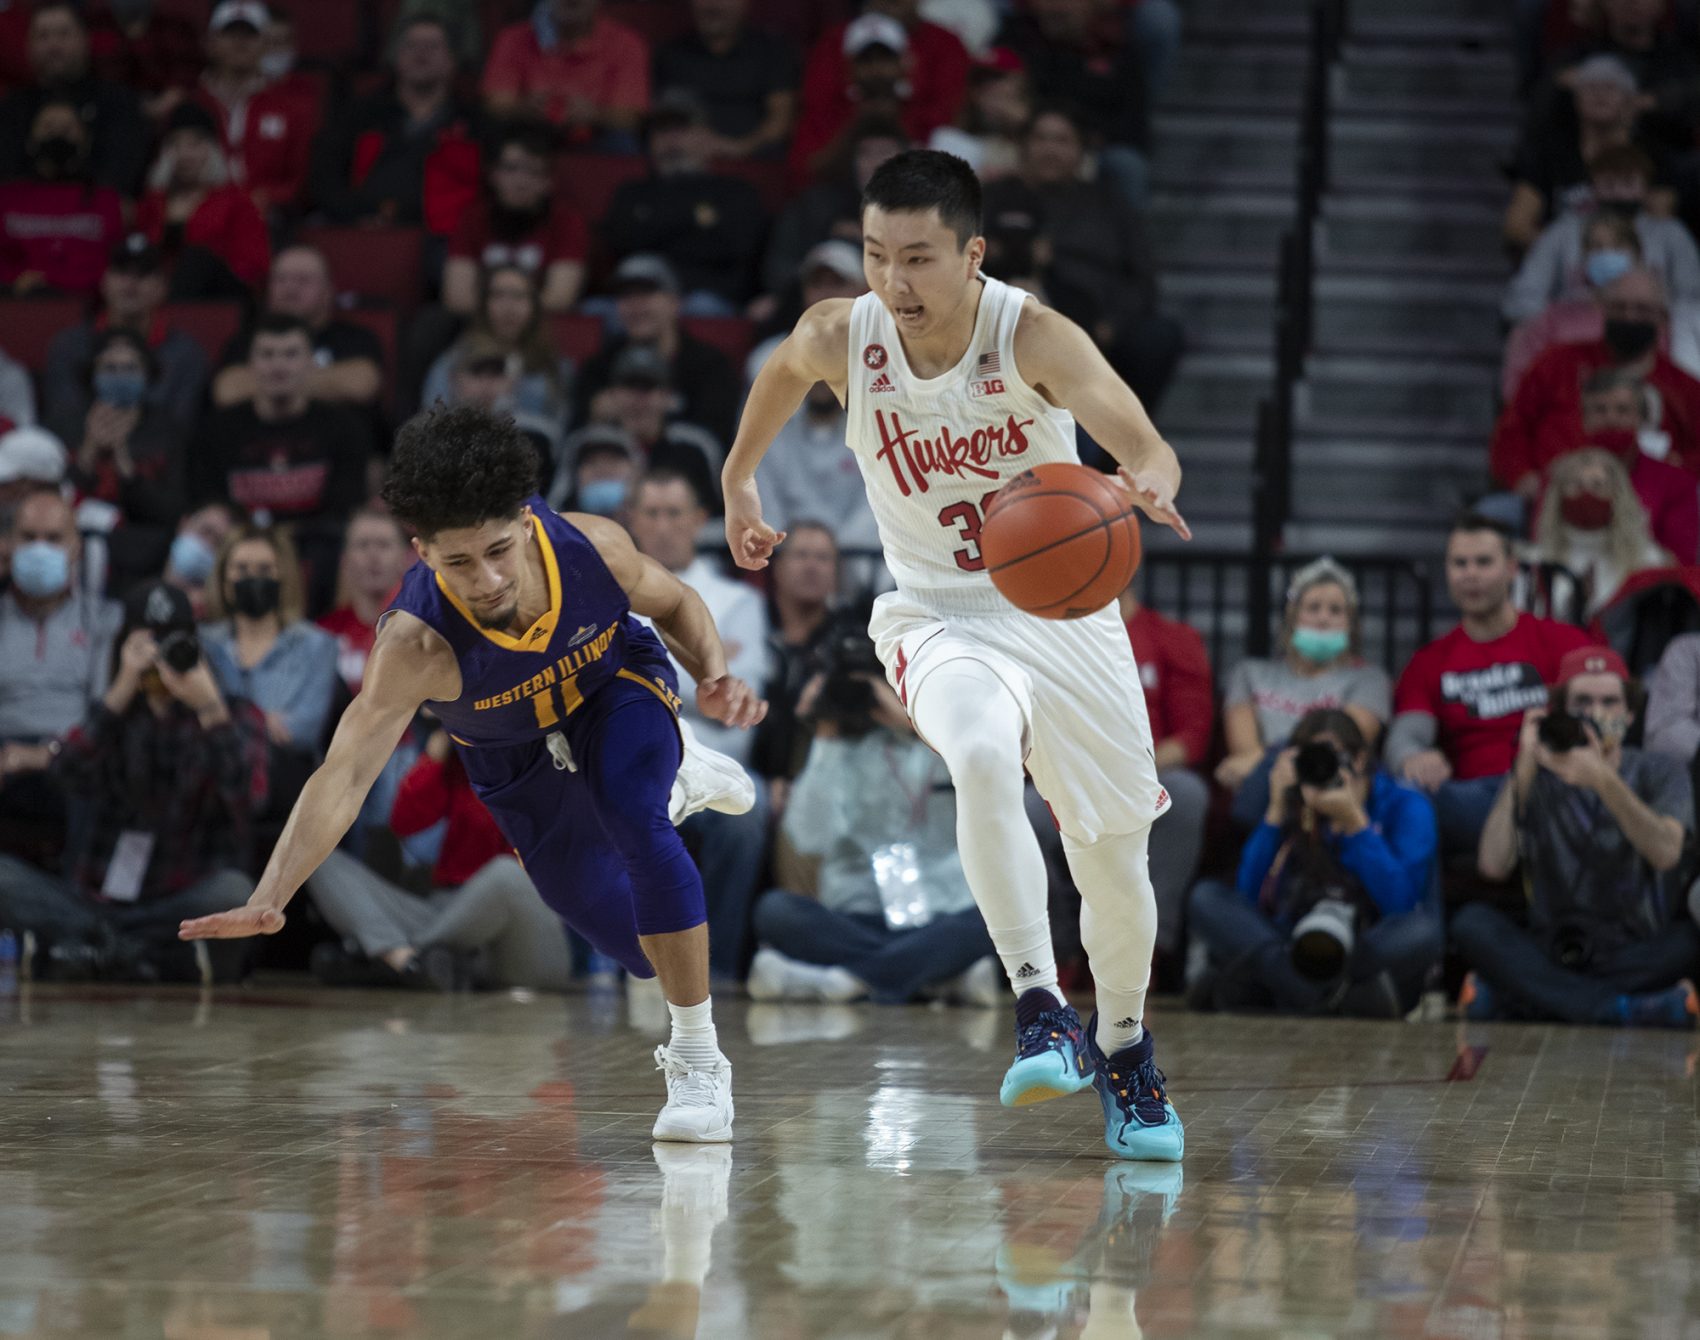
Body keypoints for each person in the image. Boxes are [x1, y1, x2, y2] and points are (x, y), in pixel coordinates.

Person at [724, 148, 1188, 1161]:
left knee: (1112, 861)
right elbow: (782, 371)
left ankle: (1123, 1046)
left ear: (973, 254)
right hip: (937, 611)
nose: (893, 281)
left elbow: (1145, 442)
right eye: (875, 254)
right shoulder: (842, 334)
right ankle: (1039, 1007)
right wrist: (738, 478)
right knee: (977, 751)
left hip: (1066, 615)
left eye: (919, 258)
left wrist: (1147, 480)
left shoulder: (1031, 334)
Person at [179, 404, 766, 1145]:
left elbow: (676, 601)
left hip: (614, 689)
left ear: (524, 522)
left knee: (632, 813)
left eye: (497, 551)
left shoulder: (590, 546)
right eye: (458, 562)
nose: (486, 579)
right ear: (422, 552)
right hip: (511, 756)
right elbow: (345, 774)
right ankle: (672, 784)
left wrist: (712, 674)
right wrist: (271, 896)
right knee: (633, 945)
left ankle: (698, 1062)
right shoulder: (414, 646)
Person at [0, 581, 267, 984]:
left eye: (170, 644)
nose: (158, 658)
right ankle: (138, 955)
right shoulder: (114, 714)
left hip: (179, 903)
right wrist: (121, 689)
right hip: (96, 900)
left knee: (234, 891)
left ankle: (99, 951)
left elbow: (250, 799)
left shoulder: (233, 714)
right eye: (146, 644)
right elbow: (65, 773)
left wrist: (210, 709)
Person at [749, 610, 999, 1005]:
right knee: (775, 911)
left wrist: (917, 726)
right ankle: (932, 977)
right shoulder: (835, 747)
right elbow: (809, 838)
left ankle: (840, 980)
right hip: (855, 915)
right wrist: (825, 735)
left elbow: (991, 788)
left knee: (993, 920)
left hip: (940, 911)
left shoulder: (947, 735)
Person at [1460, 645, 1698, 1027]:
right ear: (1560, 712)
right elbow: (1493, 864)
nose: (1596, 713)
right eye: (1582, 702)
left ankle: (1524, 1001)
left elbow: (1667, 853)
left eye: (1610, 702)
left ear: (1630, 714)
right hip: (1551, 945)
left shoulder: (1660, 769)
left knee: (1688, 941)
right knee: (1471, 923)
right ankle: (1618, 1009)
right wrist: (1523, 766)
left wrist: (1602, 778)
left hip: (1633, 946)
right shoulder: (1539, 772)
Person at [1188, 708, 1442, 1017]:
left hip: (1364, 940)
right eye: (1310, 758)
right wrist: (1276, 811)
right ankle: (1327, 994)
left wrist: (1356, 824)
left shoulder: (1406, 804)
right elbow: (1247, 897)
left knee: (1423, 930)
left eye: (1333, 757)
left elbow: (1401, 904)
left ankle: (1284, 988)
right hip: (1288, 938)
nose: (1321, 767)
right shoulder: (1292, 799)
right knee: (1206, 897)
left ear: (1360, 759)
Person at [628, 468, 772, 981]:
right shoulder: (608, 595)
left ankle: (721, 972)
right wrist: (703, 669)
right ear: (633, 520)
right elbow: (716, 683)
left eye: (675, 513)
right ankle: (617, 970)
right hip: (631, 760)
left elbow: (736, 702)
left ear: (698, 520)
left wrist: (643, 673)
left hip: (716, 758)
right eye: (652, 513)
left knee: (750, 814)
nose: (663, 525)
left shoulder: (739, 601)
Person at [1387, 513, 1593, 856]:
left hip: (1553, 783)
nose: (1470, 574)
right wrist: (1414, 756)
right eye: (1460, 563)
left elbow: (1606, 710)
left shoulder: (1563, 642)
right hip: (1470, 800)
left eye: (1483, 562)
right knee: (1408, 802)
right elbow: (1406, 735)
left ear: (1511, 568)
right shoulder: (1428, 662)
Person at [305, 728, 573, 992]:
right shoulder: (461, 761)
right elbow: (403, 823)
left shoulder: (548, 759)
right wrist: (434, 759)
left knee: (507, 875)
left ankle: (394, 959)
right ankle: (401, 956)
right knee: (316, 860)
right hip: (448, 918)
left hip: (522, 929)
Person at [983, 103, 1181, 408]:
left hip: (1095, 319)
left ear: (1081, 151)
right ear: (1023, 145)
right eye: (1041, 138)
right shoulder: (992, 196)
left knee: (1158, 336)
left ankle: (1119, 433)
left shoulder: (1110, 204)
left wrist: (1112, 323)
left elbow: (1142, 278)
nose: (1050, 150)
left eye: (1062, 140)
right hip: (1016, 317)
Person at [192, 313, 375, 606]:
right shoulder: (217, 431)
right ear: (250, 364)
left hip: (317, 553)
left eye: (291, 354)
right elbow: (207, 502)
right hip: (235, 546)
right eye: (267, 355)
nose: (278, 365)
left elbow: (343, 511)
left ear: (311, 363)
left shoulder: (344, 427)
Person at [1491, 266, 1700, 495]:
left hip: (1653, 505)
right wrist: (1522, 477)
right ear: (1602, 309)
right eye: (1620, 307)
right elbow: (1512, 429)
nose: (1629, 317)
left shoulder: (1685, 389)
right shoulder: (1556, 363)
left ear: (1662, 317)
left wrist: (1676, 472)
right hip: (1548, 497)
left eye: (1642, 309)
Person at [1216, 558, 1392, 824]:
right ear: (1292, 616)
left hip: (1331, 793)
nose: (1323, 618)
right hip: (1264, 795)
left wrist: (1266, 757)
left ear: (1351, 623)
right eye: (1313, 607)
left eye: (1336, 610)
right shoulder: (1249, 673)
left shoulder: (1371, 679)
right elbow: (1243, 755)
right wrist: (1261, 762)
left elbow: (1340, 744)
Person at [307, 13, 482, 239]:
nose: (421, 53)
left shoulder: (473, 122)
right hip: (360, 228)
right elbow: (326, 175)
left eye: (432, 46)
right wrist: (355, 215)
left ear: (452, 60)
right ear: (396, 56)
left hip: (444, 235)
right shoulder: (360, 115)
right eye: (411, 45)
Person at [600, 90, 768, 312]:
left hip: (705, 298)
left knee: (703, 306)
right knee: (597, 308)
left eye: (681, 129)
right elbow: (622, 244)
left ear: (707, 136)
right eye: (662, 129)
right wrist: (693, 225)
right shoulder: (631, 192)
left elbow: (735, 249)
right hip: (636, 299)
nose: (671, 139)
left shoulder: (735, 192)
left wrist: (657, 227)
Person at [1118, 587, 1212, 981]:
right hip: (1073, 775)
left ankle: (1146, 951)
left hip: (1147, 771)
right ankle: (1060, 953)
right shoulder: (1052, 635)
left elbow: (1192, 737)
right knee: (1027, 810)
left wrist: (1130, 770)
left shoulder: (1171, 638)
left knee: (1186, 795)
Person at [1502, 145, 1700, 325]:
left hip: (1651, 335)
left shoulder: (1670, 233)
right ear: (1592, 186)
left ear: (1645, 187)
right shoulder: (1563, 231)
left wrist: (1663, 322)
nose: (1619, 192)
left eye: (1628, 183)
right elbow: (1524, 295)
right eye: (1609, 183)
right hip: (1571, 335)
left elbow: (1692, 296)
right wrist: (1553, 326)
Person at [41, 234, 210, 444]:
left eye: (143, 273)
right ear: (104, 281)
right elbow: (61, 420)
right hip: (80, 454)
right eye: (121, 272)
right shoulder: (69, 346)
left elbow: (182, 429)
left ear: (163, 287)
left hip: (158, 458)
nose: (130, 284)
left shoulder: (187, 354)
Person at [199, 524, 340, 773]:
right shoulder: (203, 643)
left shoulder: (317, 644)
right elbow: (194, 730)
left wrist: (223, 717)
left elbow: (302, 733)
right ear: (223, 579)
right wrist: (266, 721)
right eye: (241, 569)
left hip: (286, 782)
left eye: (264, 569)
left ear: (283, 577)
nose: (253, 577)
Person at [1503, 53, 1673, 253]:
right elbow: (1516, 226)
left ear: (1630, 100)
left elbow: (1662, 221)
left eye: (1610, 88)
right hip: (1566, 261)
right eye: (1590, 88)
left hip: (1637, 261)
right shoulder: (1551, 153)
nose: (1600, 95)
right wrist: (1564, 255)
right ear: (1576, 100)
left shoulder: (1651, 153)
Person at [995, 0, 1150, 210]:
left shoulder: (1117, 50)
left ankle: (1120, 228)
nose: (1056, 8)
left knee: (1126, 164)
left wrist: (1085, 136)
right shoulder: (1018, 38)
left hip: (1094, 143)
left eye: (1068, 3)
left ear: (1092, 7)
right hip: (1023, 134)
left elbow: (1134, 124)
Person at [572, 254, 740, 447]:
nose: (635, 305)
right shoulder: (599, 367)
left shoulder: (710, 367)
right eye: (626, 295)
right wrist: (595, 417)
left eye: (646, 293)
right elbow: (571, 438)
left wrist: (658, 425)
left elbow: (717, 441)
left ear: (675, 302)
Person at [65, 329, 188, 587]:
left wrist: (124, 463)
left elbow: (171, 512)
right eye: (110, 368)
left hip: (145, 557)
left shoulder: (167, 431)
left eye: (130, 368)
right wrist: (89, 451)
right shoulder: (66, 426)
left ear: (147, 374)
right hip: (74, 551)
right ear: (92, 374)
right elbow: (55, 502)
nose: (119, 376)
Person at [791, 4, 968, 181]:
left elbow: (942, 176)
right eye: (866, 61)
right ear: (849, 68)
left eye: (886, 60)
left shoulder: (923, 108)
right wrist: (858, 123)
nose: (876, 70)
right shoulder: (832, 110)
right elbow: (805, 172)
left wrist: (894, 123)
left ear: (904, 64)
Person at [210, 246, 386, 412]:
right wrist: (325, 382)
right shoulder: (246, 339)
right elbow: (228, 391)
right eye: (281, 279)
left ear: (329, 290)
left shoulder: (354, 337)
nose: (290, 288)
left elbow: (361, 385)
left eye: (303, 280)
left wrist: (271, 384)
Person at [0, 0, 149, 194]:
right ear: (28, 45)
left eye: (64, 34)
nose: (53, 45)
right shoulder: (11, 109)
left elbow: (121, 175)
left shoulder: (119, 103)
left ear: (85, 40)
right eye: (43, 36)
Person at [442, 121, 588, 317]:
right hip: (478, 325)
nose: (520, 181)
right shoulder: (472, 218)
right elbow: (457, 297)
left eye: (533, 171)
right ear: (493, 174)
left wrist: (509, 316)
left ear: (548, 182)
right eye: (511, 168)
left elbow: (559, 298)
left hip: (541, 326)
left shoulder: (567, 221)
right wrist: (501, 317)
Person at [555, 345, 722, 514]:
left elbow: (719, 517)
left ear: (667, 396)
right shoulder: (585, 445)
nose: (638, 399)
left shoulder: (694, 448)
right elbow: (556, 511)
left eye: (648, 387)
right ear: (612, 393)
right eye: (629, 386)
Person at [133, 99, 271, 297]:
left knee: (198, 258)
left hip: (218, 296)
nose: (185, 154)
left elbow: (253, 264)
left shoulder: (237, 201)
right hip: (158, 292)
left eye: (195, 144)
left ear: (212, 149)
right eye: (175, 144)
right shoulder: (152, 203)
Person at [190, 0, 317, 216]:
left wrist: (265, 198)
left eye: (250, 35)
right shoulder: (192, 103)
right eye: (230, 34)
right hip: (200, 215)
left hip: (270, 217)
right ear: (210, 43)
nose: (240, 43)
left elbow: (302, 179)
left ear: (266, 44)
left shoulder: (291, 107)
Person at [481, 0, 650, 151]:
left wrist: (594, 114)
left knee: (623, 142)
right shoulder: (513, 38)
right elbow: (496, 105)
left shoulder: (626, 43)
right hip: (530, 135)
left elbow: (630, 116)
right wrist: (526, 108)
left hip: (596, 137)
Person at [0, 98, 125, 297]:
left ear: (85, 141)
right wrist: (15, 280)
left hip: (87, 304)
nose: (57, 134)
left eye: (67, 129)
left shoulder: (105, 199)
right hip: (15, 303)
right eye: (48, 128)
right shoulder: (7, 197)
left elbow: (115, 265)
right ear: (31, 140)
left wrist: (53, 280)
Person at [1527, 447, 1671, 619]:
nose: (1587, 494)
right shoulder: (1534, 562)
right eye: (1576, 485)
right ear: (1558, 496)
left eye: (1598, 485)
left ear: (1617, 495)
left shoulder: (1647, 560)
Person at [421, 264, 572, 427]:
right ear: (483, 305)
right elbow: (430, 420)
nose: (508, 307)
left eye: (519, 296)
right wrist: (470, 405)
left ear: (534, 306)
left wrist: (516, 394)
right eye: (498, 295)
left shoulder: (555, 366)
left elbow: (562, 425)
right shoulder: (455, 361)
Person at [651, 0, 800, 160]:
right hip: (686, 161)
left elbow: (780, 120)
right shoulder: (671, 55)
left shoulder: (773, 52)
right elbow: (660, 121)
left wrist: (737, 149)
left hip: (756, 162)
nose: (714, 5)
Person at [749, 521, 839, 787]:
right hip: (745, 769)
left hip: (823, 780)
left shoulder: (850, 638)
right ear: (777, 567)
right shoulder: (751, 623)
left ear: (836, 571)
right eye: (801, 555)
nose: (811, 566)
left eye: (822, 558)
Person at [928, 47, 1031, 180]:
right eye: (979, 81)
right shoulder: (949, 139)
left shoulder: (1037, 135)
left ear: (1020, 84)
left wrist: (1023, 125)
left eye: (997, 78)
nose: (987, 89)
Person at [162, 502, 238, 619]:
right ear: (184, 523)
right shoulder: (137, 591)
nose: (207, 544)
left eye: (218, 542)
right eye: (206, 531)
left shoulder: (222, 615)